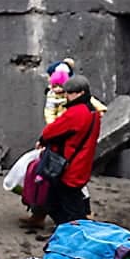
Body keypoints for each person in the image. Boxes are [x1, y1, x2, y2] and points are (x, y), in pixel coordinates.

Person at [37, 74, 101, 229]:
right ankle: (68, 229)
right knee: (65, 200)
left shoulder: (76, 112)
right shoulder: (94, 113)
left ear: (80, 93)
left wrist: (43, 140)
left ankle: (74, 233)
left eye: (69, 93)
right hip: (82, 164)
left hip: (68, 167)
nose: (66, 96)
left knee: (68, 205)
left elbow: (50, 131)